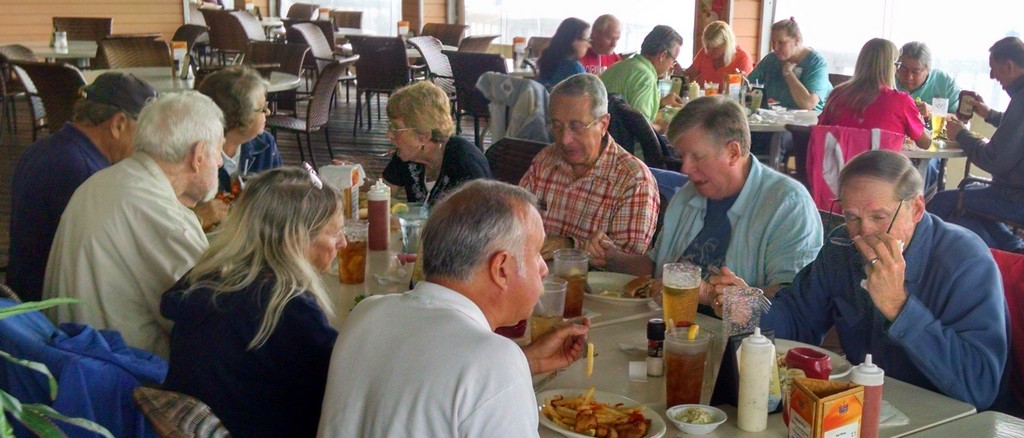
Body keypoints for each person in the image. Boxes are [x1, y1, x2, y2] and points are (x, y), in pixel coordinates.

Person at [317, 179, 590, 436]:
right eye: (537, 254)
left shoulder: (368, 313)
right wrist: (511, 370)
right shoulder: (494, 365)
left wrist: (528, 362)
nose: (544, 269)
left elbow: (422, 379)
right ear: (501, 269)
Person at [756, 150, 1008, 410]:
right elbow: (797, 319)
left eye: (879, 217)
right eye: (852, 217)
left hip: (952, 415)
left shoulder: (965, 262)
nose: (864, 231)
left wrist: (898, 306)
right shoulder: (842, 247)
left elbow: (980, 387)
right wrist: (746, 308)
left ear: (916, 209)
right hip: (868, 404)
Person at [162, 167, 342, 437]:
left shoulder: (204, 278)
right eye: (335, 233)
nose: (343, 242)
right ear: (296, 238)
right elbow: (342, 390)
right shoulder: (285, 308)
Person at [43, 91, 225, 358]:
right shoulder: (160, 215)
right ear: (198, 156)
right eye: (218, 150)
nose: (220, 162)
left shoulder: (103, 180)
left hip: (71, 357)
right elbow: (209, 320)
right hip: (124, 375)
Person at [588, 96, 821, 302]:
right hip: (670, 325)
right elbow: (657, 265)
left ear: (733, 152)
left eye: (697, 157)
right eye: (682, 156)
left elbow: (792, 300)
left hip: (736, 335)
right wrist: (613, 258)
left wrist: (709, 295)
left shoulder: (787, 204)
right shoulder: (689, 194)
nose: (686, 168)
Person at [7, 73, 156, 302]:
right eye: (145, 132)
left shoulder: (43, 148)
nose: (148, 144)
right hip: (50, 307)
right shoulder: (87, 174)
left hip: (21, 293)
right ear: (118, 124)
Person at [520, 73, 659, 258]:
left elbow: (627, 263)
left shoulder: (633, 180)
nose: (565, 139)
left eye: (576, 126)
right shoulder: (546, 160)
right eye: (557, 126)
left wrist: (570, 246)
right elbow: (517, 222)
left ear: (603, 125)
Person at [929, 36, 1024, 253]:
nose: (991, 75)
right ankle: (1014, 248)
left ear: (1009, 66)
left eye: (993, 68)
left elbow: (993, 160)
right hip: (1015, 191)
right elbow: (1016, 129)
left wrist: (961, 134)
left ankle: (924, 257)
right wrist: (989, 114)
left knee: (942, 202)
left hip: (1014, 196)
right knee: (969, 193)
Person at [193, 65, 282, 230]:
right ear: (238, 117)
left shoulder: (265, 145)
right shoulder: (195, 155)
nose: (268, 112)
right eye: (262, 108)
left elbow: (280, 195)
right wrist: (197, 217)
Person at [382, 81, 491, 207]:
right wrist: (362, 178)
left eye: (395, 128)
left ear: (424, 136)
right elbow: (382, 193)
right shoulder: (409, 154)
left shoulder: (466, 165)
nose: (388, 134)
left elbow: (478, 217)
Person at [819, 38, 930, 149]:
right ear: (891, 67)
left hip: (842, 160)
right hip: (883, 160)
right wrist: (921, 122)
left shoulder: (837, 94)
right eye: (897, 65)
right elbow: (925, 144)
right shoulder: (902, 102)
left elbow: (821, 131)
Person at [601, 25, 686, 129]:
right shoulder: (646, 78)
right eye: (673, 60)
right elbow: (641, 129)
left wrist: (661, 103)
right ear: (663, 55)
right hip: (620, 138)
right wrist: (661, 126)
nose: (671, 66)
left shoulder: (618, 66)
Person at [747, 17, 831, 111]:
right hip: (773, 115)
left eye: (781, 43)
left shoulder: (816, 63)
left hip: (808, 118)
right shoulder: (770, 59)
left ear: (796, 41)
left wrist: (788, 74)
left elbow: (808, 104)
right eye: (773, 42)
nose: (775, 48)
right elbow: (747, 86)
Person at [684, 21, 754, 93]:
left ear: (727, 44)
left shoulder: (742, 58)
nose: (709, 51)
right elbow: (689, 75)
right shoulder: (704, 52)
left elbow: (745, 90)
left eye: (715, 48)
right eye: (707, 47)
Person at [895, 41, 962, 116]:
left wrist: (934, 111)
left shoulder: (945, 84)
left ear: (928, 70)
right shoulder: (888, 78)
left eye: (916, 71)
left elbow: (960, 119)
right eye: (904, 69)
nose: (909, 77)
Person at [537, 17, 590, 89]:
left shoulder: (548, 61)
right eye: (587, 40)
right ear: (573, 40)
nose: (589, 45)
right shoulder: (574, 69)